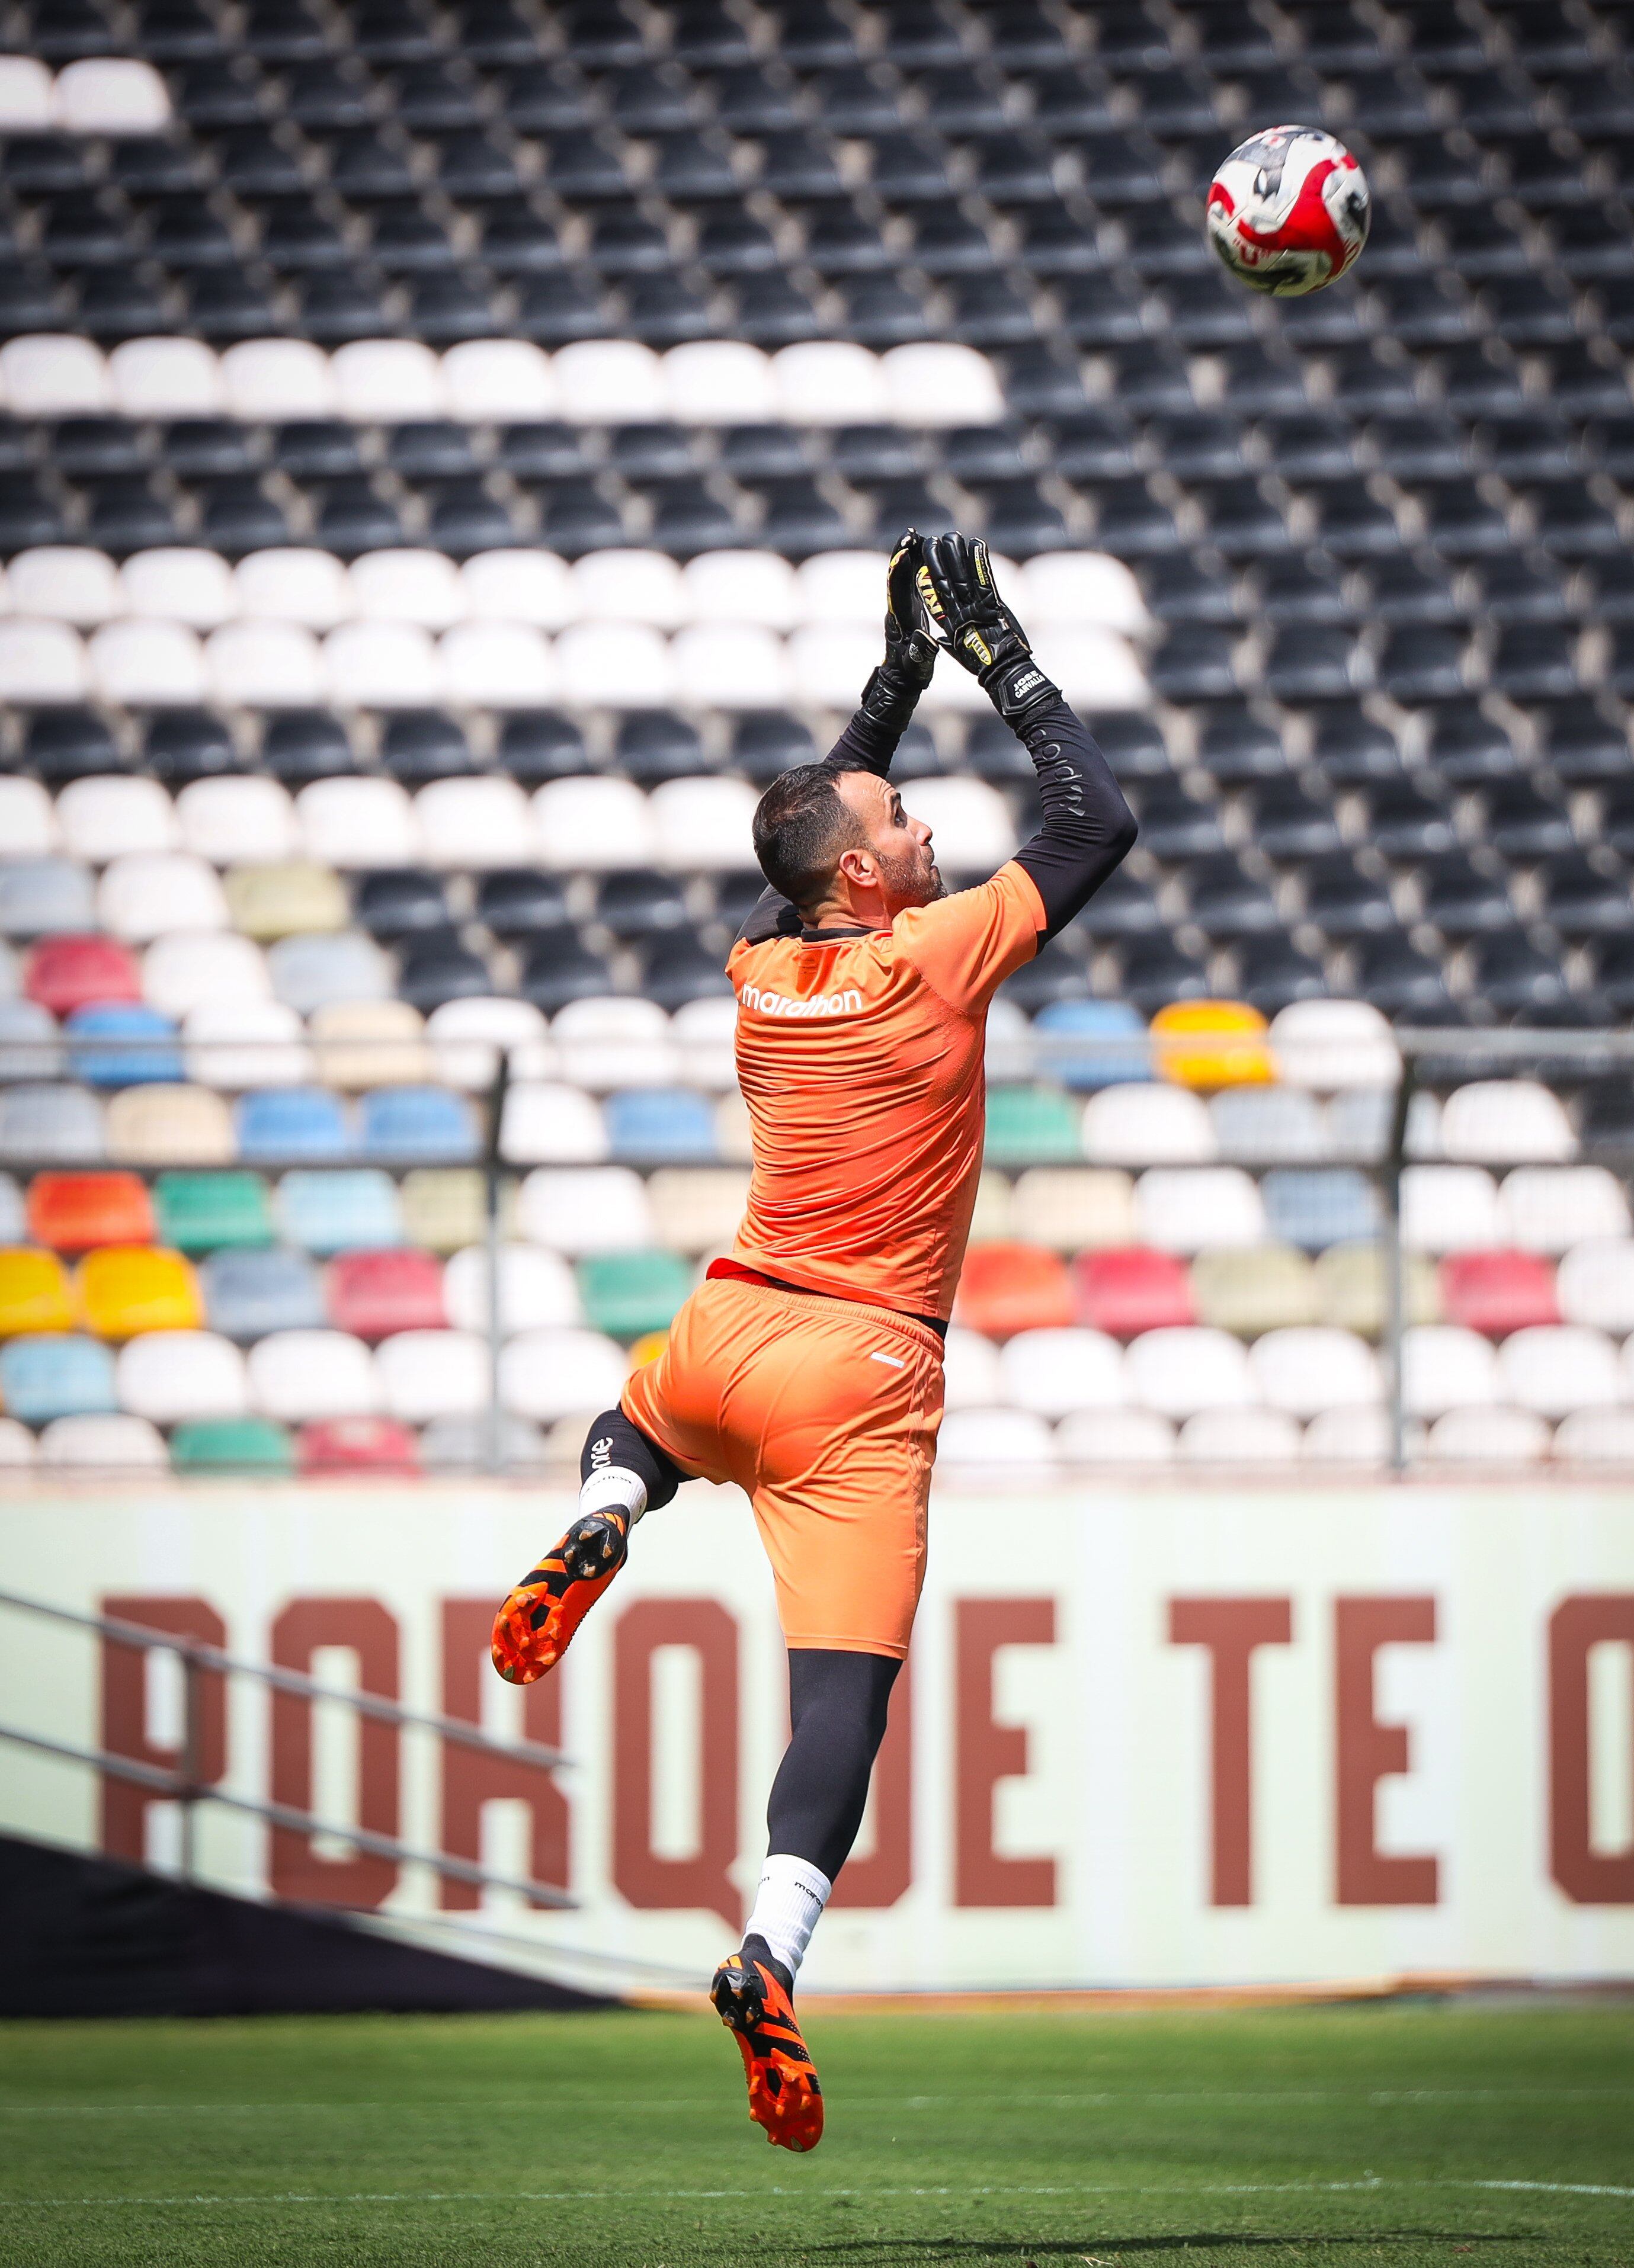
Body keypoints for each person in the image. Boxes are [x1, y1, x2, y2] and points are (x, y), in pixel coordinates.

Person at [489, 530, 1138, 2151]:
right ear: (870, 879)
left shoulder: (763, 971)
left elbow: (807, 836)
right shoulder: (933, 957)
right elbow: (1098, 821)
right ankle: (771, 1952)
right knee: (839, 1704)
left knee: (636, 1424)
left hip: (726, 1333)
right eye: (906, 820)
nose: (922, 825)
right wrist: (1000, 661)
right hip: (860, 1374)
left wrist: (885, 696)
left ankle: (606, 1511)